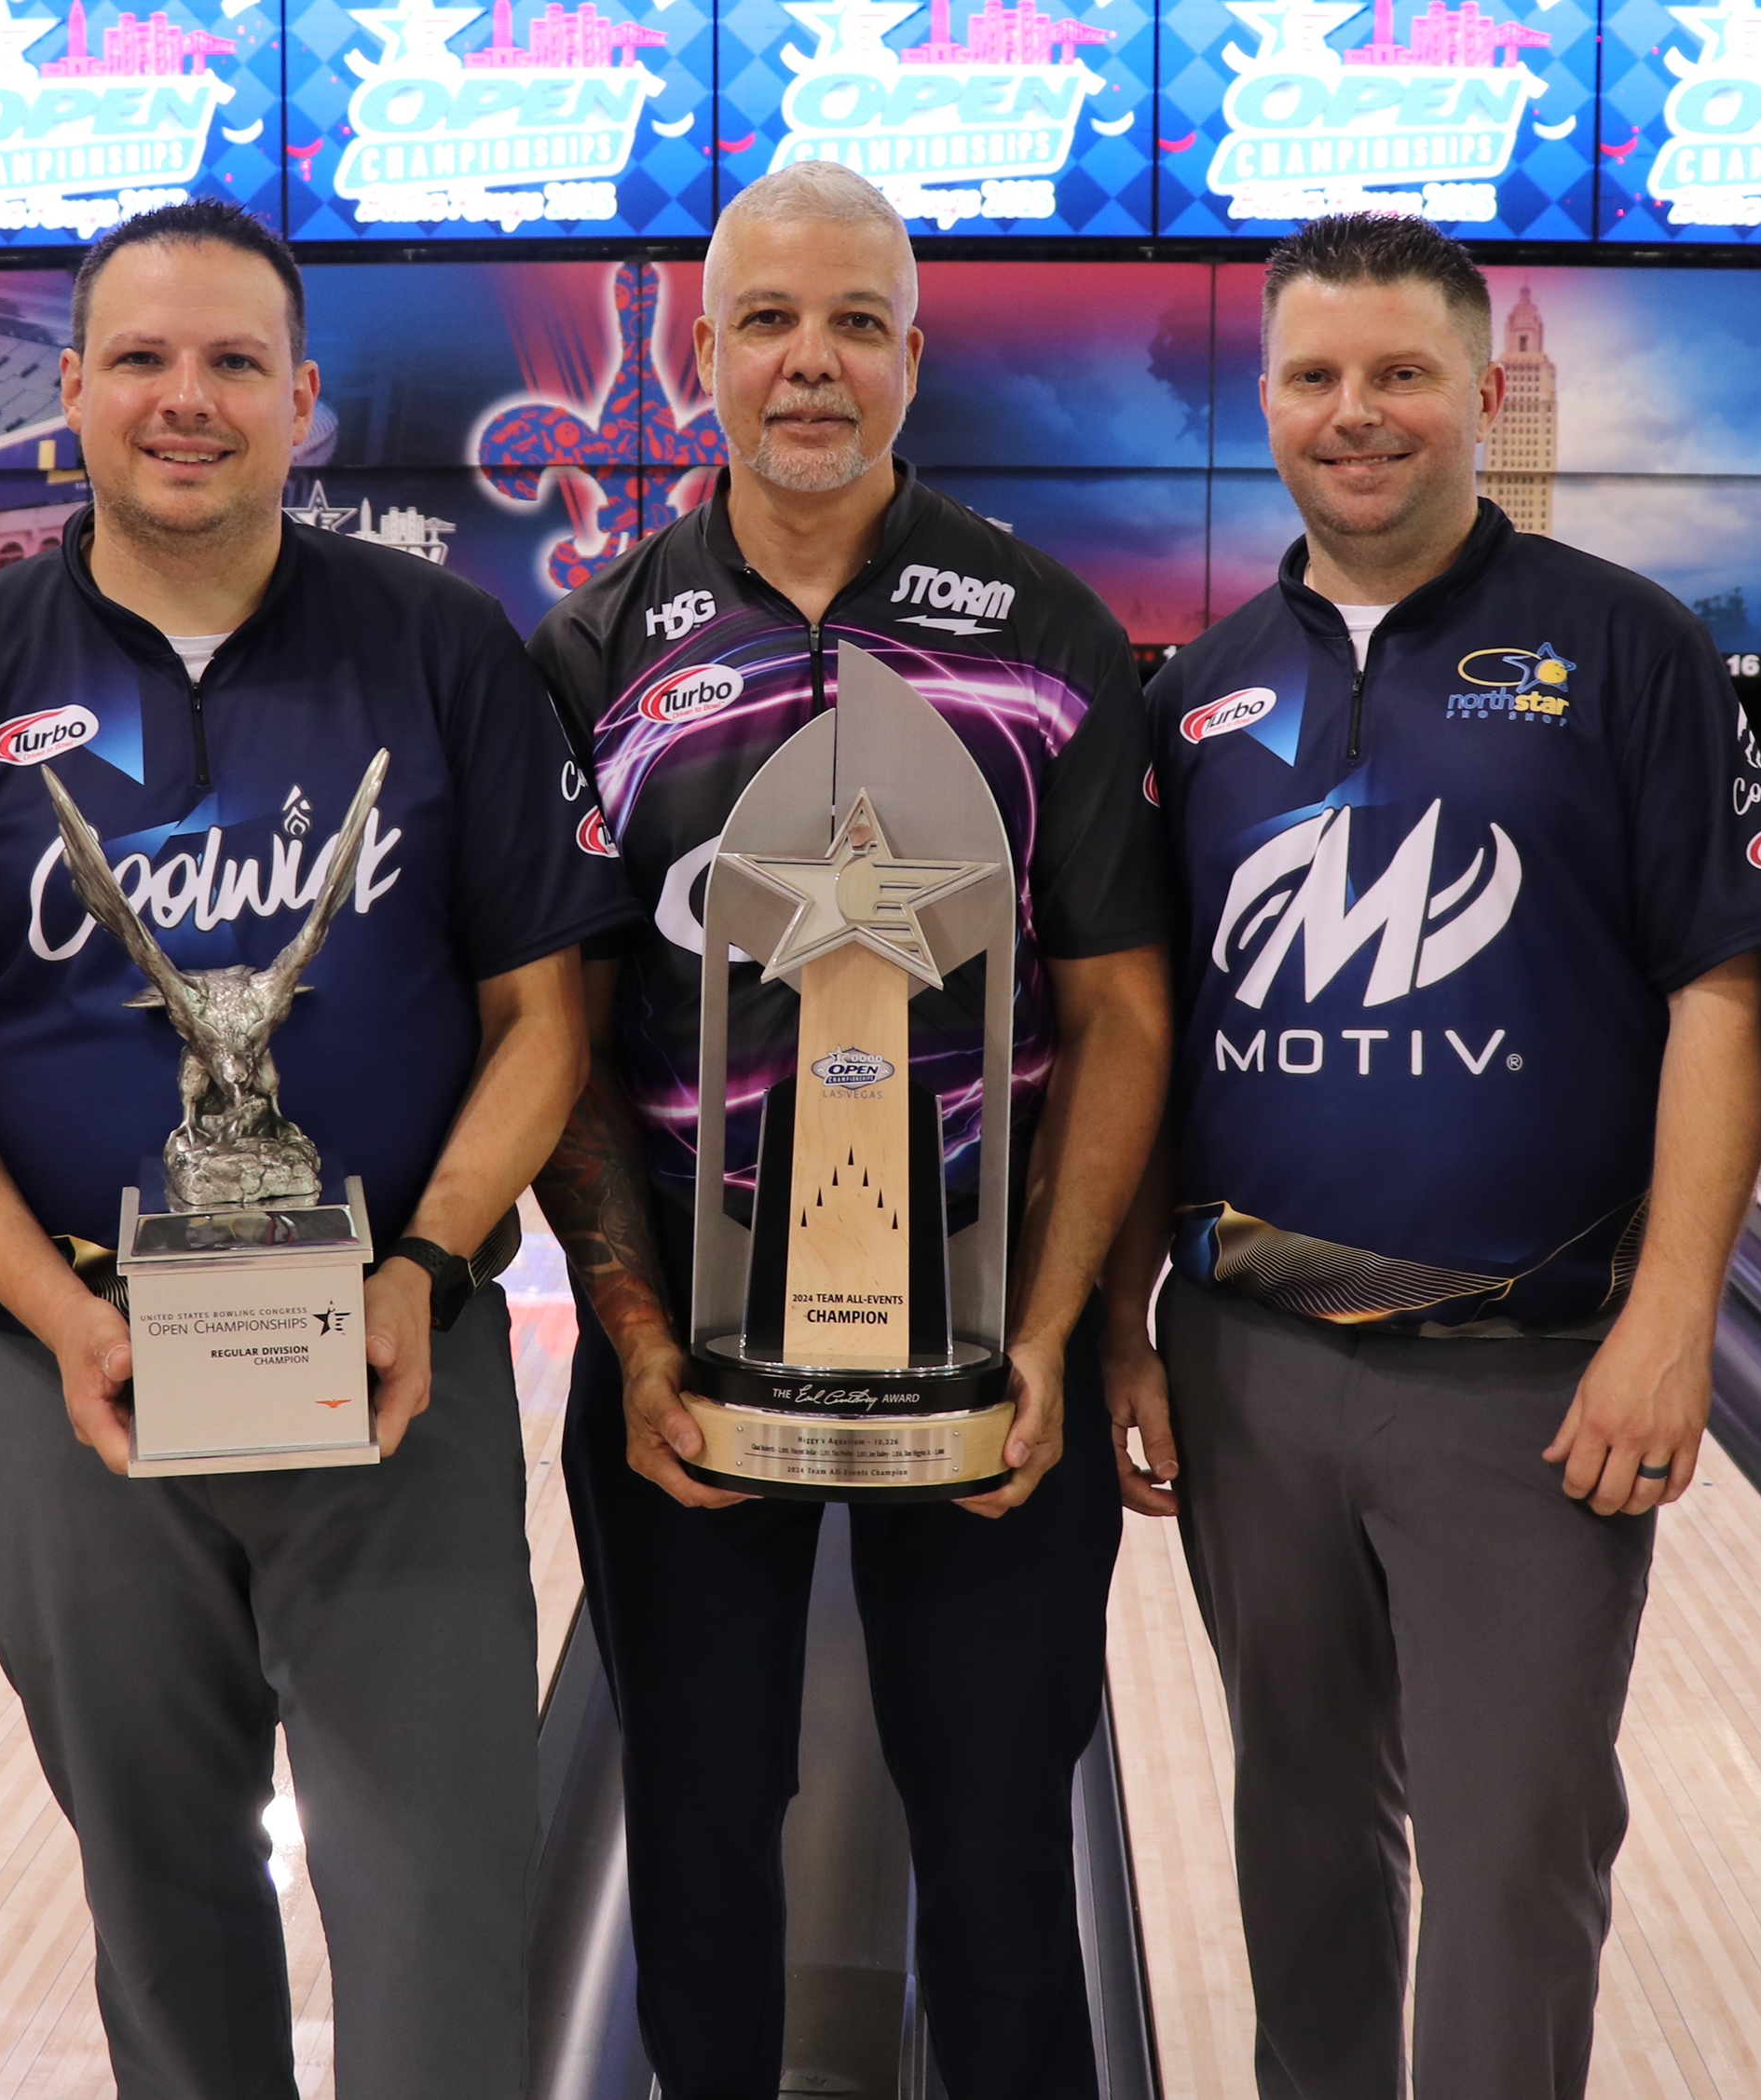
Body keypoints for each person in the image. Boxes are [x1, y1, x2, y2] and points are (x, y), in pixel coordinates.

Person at [0, 198, 624, 2100]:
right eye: (142, 360)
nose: (187, 399)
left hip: (396, 1364)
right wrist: (54, 1317)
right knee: (161, 1917)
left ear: (302, 401)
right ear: (65, 392)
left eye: (233, 361)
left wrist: (422, 1263)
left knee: (434, 1907)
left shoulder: (435, 645)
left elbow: (537, 1022)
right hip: (68, 1376)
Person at [1103, 212, 1761, 2100]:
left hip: (1527, 1378)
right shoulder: (1201, 692)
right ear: (1265, 404)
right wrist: (1118, 1321)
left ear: (1480, 391)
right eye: (1314, 376)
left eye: (1399, 372)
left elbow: (1721, 997)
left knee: (1510, 1857)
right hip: (1253, 1361)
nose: (1356, 412)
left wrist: (1672, 1324)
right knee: (1300, 1838)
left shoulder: (1621, 646)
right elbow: (1138, 1043)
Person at [527, 160, 1173, 2096]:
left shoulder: (1042, 628)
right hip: (684, 1357)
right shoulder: (593, 652)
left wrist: (1053, 1330)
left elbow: (1121, 1005)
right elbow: (553, 1027)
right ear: (703, 351)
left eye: (852, 324)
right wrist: (632, 1341)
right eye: (766, 322)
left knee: (994, 1856)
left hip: (988, 1338)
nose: (807, 363)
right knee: (699, 1844)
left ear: (911, 352)